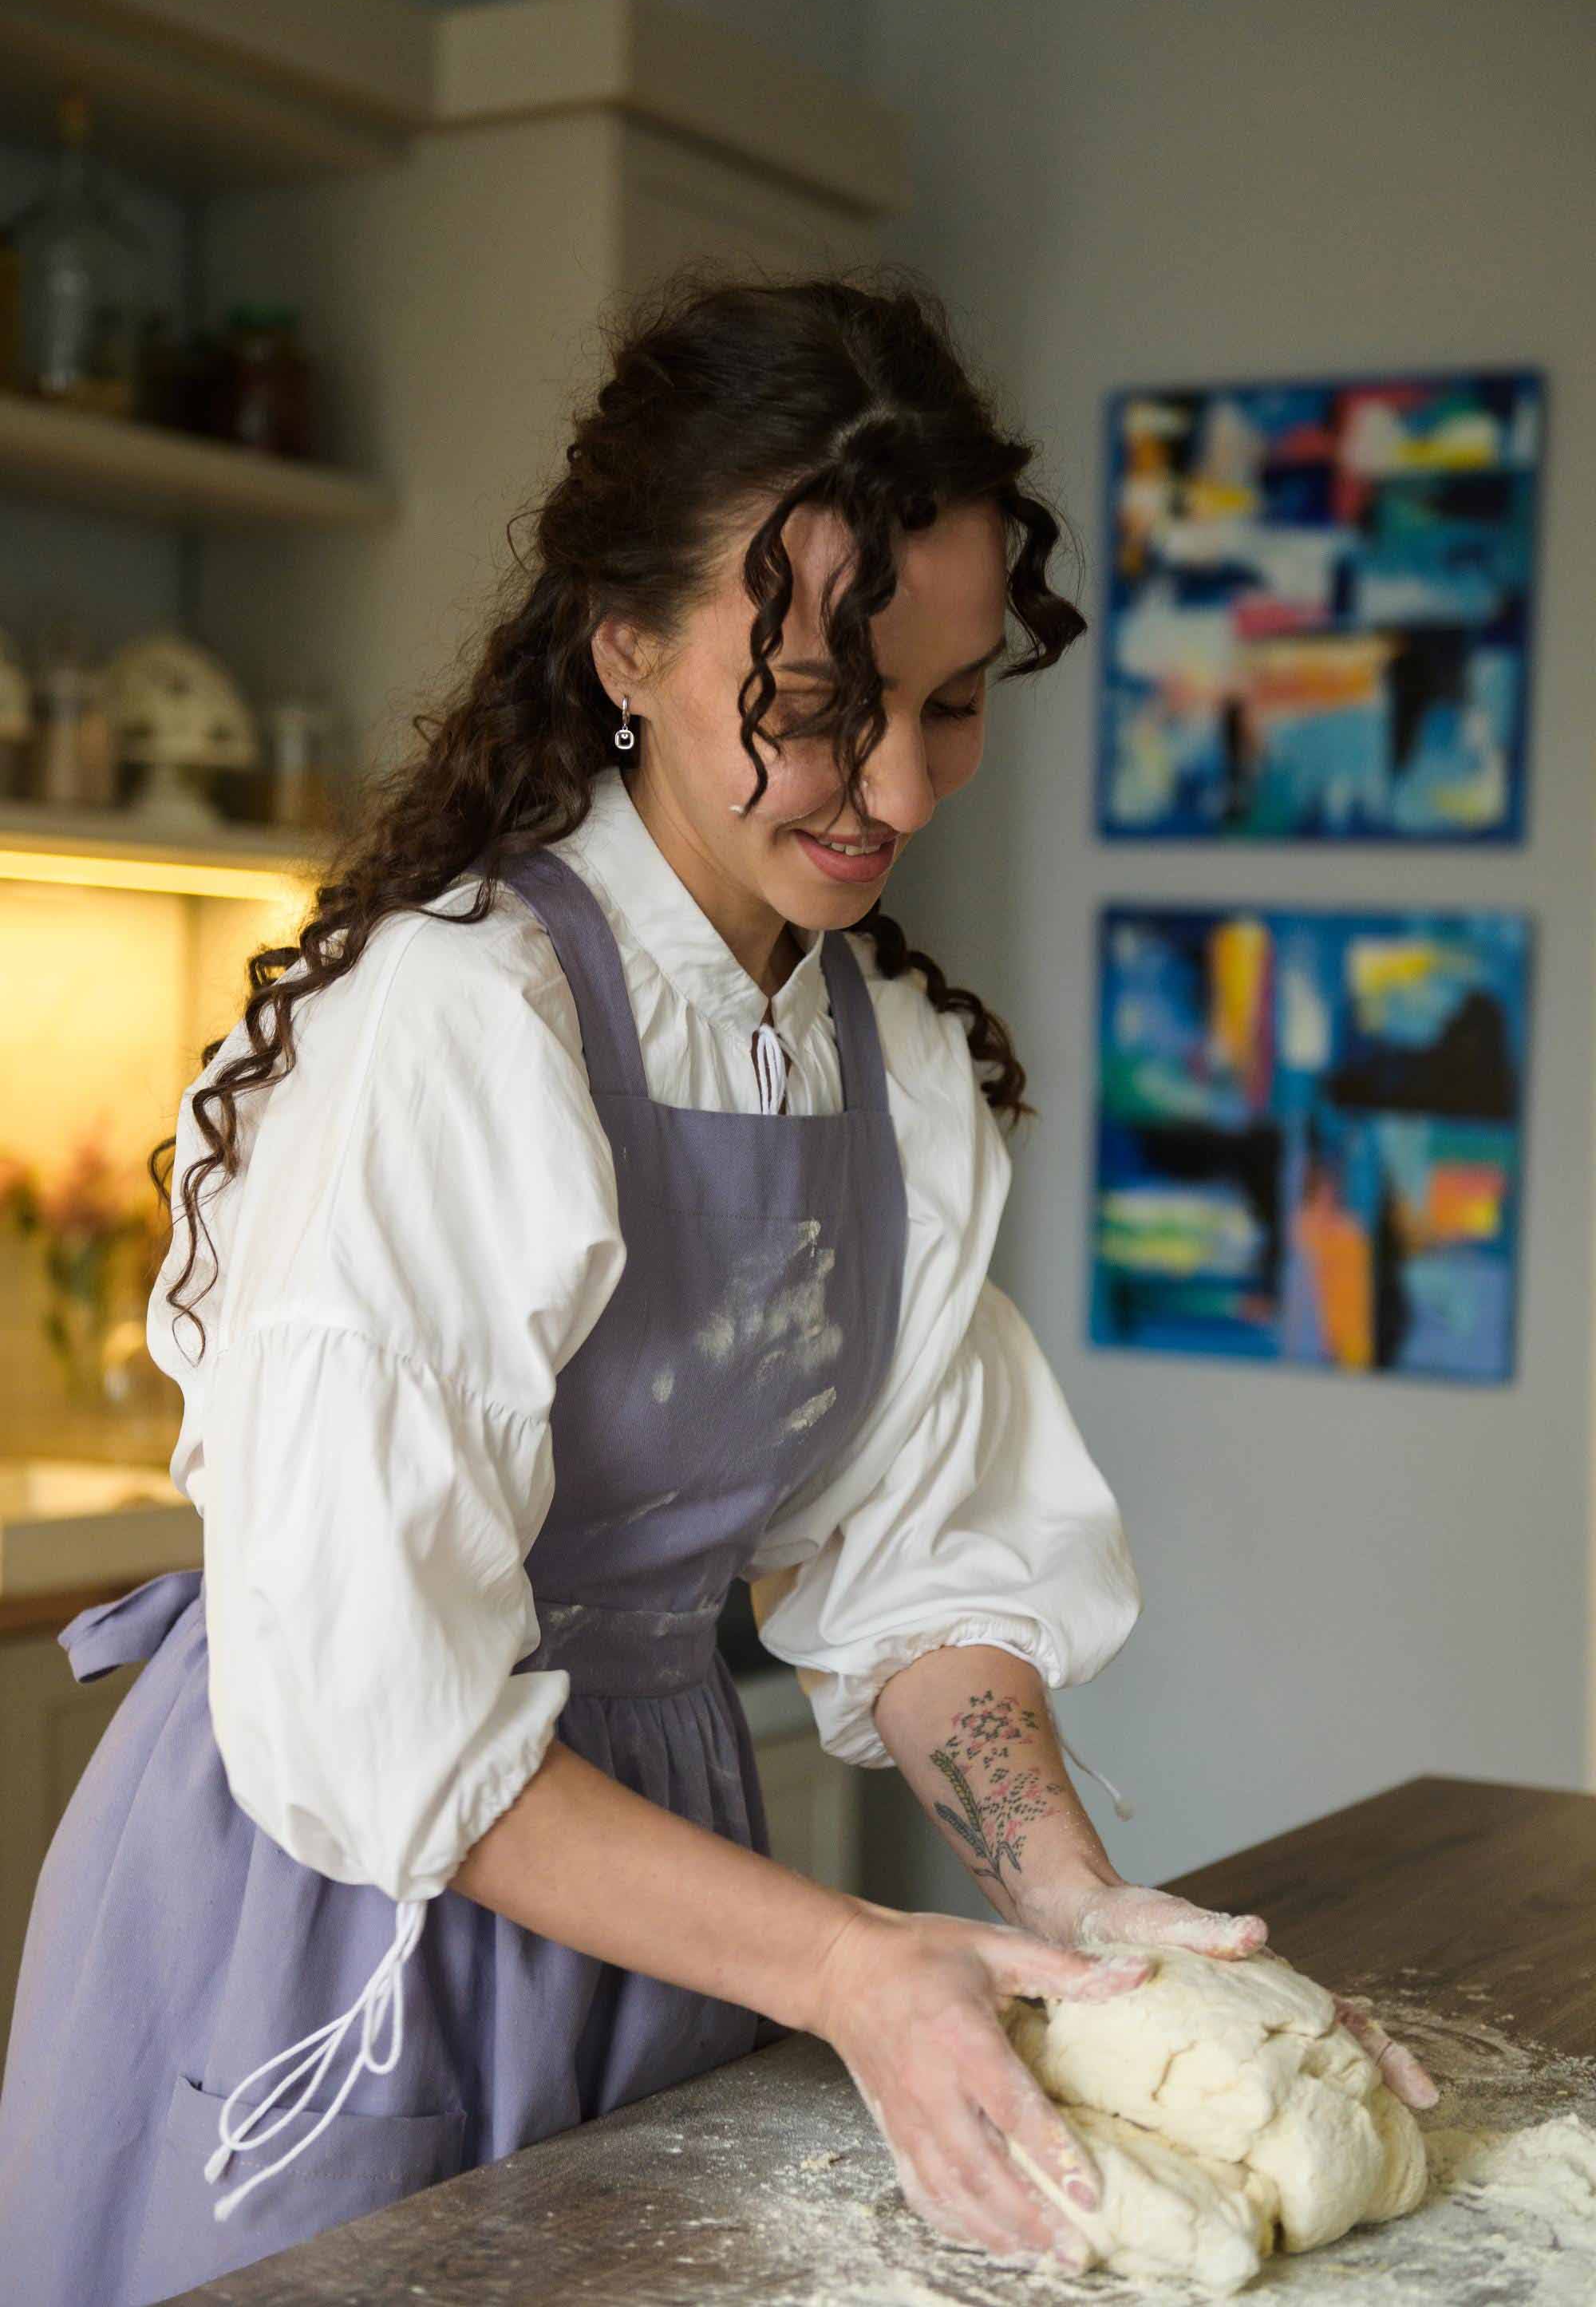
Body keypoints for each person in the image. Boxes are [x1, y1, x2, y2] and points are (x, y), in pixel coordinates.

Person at [0, 267, 1435, 2304]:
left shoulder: (900, 1073)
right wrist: (850, 1964)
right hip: (328, 1916)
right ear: (626, 649)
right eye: (822, 711)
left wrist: (1074, 1904)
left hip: (668, 1888)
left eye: (948, 706)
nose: (908, 792)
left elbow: (924, 1570)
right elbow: (375, 1708)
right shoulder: (459, 1020)